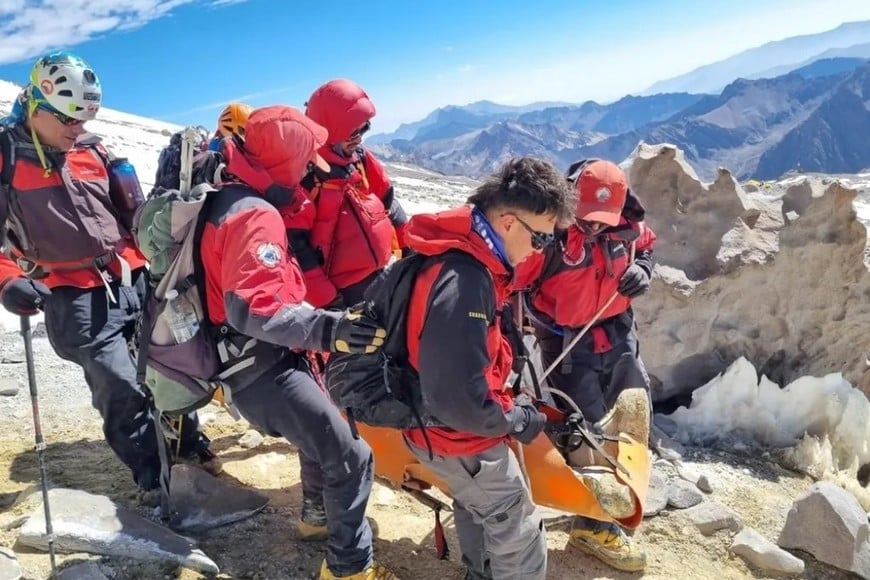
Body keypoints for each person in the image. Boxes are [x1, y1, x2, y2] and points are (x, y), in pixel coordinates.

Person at [0, 51, 215, 505]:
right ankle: (154, 477)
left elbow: (133, 215)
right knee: (119, 384)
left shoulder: (93, 150)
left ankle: (185, 443)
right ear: (36, 105)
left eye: (85, 119)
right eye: (68, 120)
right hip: (71, 293)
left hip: (132, 278)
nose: (77, 130)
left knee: (170, 364)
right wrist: (6, 279)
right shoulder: (5, 158)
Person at [196, 104, 396, 580]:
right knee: (352, 456)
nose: (311, 170)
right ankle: (350, 569)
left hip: (251, 356)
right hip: (261, 365)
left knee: (320, 433)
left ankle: (316, 519)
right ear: (286, 160)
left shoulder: (230, 196)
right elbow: (255, 308)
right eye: (307, 160)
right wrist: (332, 329)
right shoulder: (254, 216)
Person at [400, 157, 575, 580]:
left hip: (437, 429)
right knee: (519, 528)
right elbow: (458, 400)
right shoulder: (466, 281)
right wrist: (516, 420)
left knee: (476, 505)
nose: (540, 250)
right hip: (458, 436)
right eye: (541, 240)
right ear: (511, 222)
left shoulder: (460, 257)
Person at [513, 158, 656, 572]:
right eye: (587, 218)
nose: (594, 227)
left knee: (629, 414)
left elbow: (646, 245)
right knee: (587, 431)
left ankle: (617, 494)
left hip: (618, 331)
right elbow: (512, 282)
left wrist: (643, 269)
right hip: (566, 343)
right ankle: (593, 524)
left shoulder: (626, 226)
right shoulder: (548, 237)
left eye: (602, 220)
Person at [288, 78, 408, 309]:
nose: (360, 139)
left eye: (363, 129)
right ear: (329, 131)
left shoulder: (359, 158)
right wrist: (329, 302)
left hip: (388, 271)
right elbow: (298, 249)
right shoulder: (305, 177)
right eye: (352, 133)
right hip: (347, 295)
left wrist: (411, 247)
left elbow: (388, 202)